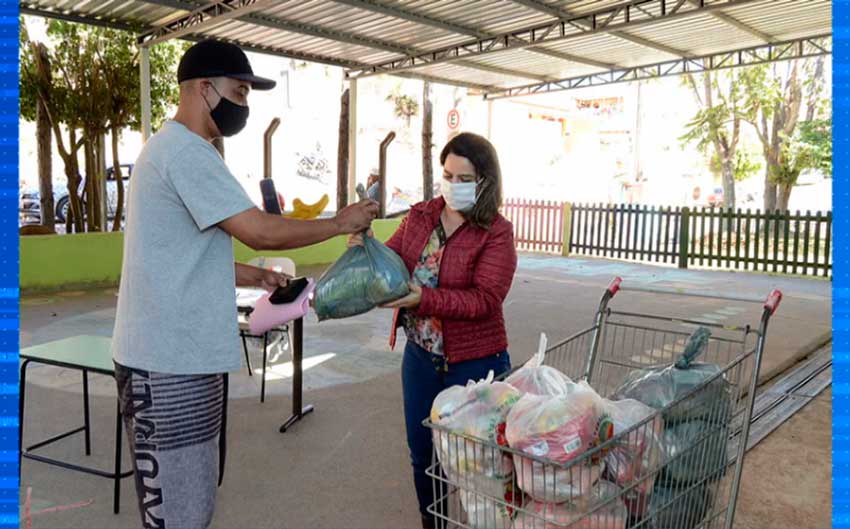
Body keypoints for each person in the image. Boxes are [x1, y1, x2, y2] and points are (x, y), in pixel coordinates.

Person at [111, 39, 377, 529]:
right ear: (203, 88)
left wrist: (257, 276)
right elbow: (258, 228)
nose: (244, 105)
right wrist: (340, 222)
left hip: (176, 358)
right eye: (240, 91)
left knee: (189, 499)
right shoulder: (186, 153)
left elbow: (180, 253)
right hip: (168, 364)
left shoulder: (173, 151)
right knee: (179, 511)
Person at [348, 132, 518, 529]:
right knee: (424, 457)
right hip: (421, 360)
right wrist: (366, 245)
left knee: (482, 465)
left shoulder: (496, 232)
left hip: (477, 364)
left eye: (464, 179)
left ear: (485, 182)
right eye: (447, 175)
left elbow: (484, 301)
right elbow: (391, 257)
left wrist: (420, 298)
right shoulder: (421, 215)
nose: (452, 186)